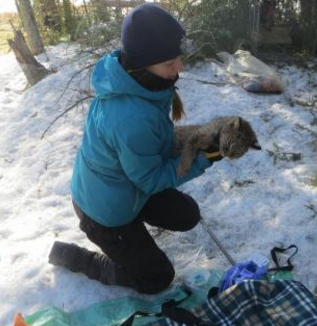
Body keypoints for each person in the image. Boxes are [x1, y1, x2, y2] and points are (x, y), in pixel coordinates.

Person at [48, 4, 221, 294]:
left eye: (178, 58)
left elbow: (152, 144)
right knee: (157, 278)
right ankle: (84, 258)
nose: (180, 68)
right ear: (144, 63)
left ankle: (135, 231)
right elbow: (151, 178)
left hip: (125, 188)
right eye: (170, 63)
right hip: (105, 214)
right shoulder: (130, 117)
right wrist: (204, 156)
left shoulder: (133, 82)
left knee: (187, 214)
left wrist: (197, 138)